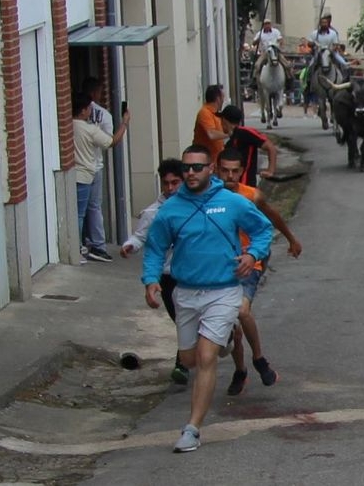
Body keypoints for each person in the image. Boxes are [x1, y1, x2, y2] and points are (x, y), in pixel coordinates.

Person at [142, 145, 273, 453]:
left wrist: (252, 254)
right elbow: (155, 248)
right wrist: (150, 280)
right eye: (187, 168)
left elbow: (263, 231)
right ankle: (227, 337)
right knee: (188, 359)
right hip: (185, 291)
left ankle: (192, 429)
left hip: (224, 290)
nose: (190, 173)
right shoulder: (171, 209)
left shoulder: (231, 202)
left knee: (204, 357)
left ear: (210, 169)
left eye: (197, 167)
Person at [215, 149, 303, 396]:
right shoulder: (208, 197)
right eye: (225, 170)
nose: (230, 176)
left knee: (241, 311)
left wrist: (291, 239)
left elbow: (272, 216)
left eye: (235, 171)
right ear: (216, 169)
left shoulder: (251, 196)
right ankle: (240, 369)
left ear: (242, 172)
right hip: (217, 267)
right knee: (231, 322)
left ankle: (259, 359)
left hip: (248, 263)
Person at [120, 159, 188, 384]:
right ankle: (183, 363)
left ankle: (191, 358)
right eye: (166, 183)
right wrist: (130, 245)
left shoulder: (196, 206)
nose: (170, 188)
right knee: (181, 320)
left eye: (175, 182)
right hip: (168, 277)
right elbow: (141, 236)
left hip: (194, 274)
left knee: (194, 319)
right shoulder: (153, 212)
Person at [72, 93, 129, 263]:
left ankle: (81, 246)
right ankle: (79, 249)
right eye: (89, 108)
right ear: (83, 111)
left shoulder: (68, 125)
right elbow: (111, 142)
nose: (91, 110)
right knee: (81, 213)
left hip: (74, 173)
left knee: (79, 212)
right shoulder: (89, 129)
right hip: (85, 174)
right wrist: (125, 123)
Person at [81, 78, 122, 262]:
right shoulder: (103, 114)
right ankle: (98, 245)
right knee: (94, 207)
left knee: (81, 209)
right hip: (94, 165)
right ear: (96, 93)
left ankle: (84, 242)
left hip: (78, 166)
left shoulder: (72, 116)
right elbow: (109, 141)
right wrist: (125, 123)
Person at [217, 105, 277, 187]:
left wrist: (270, 170)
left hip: (247, 184)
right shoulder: (230, 142)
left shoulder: (245, 132)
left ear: (224, 120)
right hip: (234, 186)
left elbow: (270, 147)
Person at [192, 84, 228, 164]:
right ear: (218, 99)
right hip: (204, 163)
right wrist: (230, 133)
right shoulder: (204, 113)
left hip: (214, 162)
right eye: (222, 98)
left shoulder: (216, 114)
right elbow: (211, 134)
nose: (223, 101)